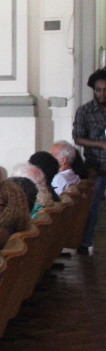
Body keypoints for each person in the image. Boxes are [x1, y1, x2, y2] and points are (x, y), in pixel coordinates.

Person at [73, 69, 106, 255]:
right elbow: (77, 138)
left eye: (105, 90)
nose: (102, 94)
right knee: (91, 207)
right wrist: (100, 144)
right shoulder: (85, 111)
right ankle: (85, 243)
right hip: (97, 165)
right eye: (99, 90)